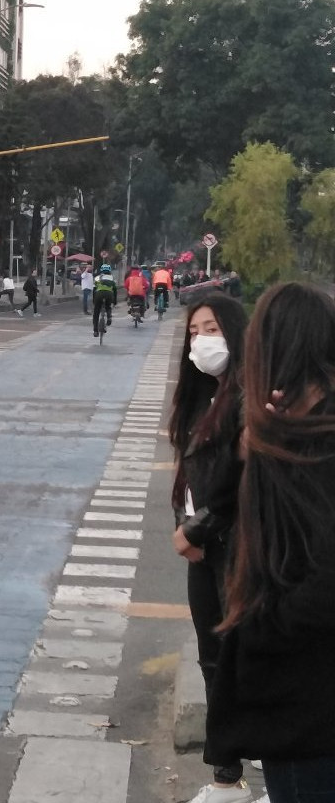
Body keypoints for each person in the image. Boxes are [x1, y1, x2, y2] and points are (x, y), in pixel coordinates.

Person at [206, 283, 335, 803]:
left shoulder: (315, 445)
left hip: (306, 699)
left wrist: (265, 629)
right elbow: (219, 502)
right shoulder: (284, 430)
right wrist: (244, 448)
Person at [168, 293, 252, 803]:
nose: (202, 341)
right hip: (204, 549)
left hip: (237, 549)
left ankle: (256, 773)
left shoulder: (247, 397)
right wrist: (185, 523)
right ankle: (228, 776)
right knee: (212, 660)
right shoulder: (202, 396)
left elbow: (240, 482)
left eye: (212, 329)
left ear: (236, 333)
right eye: (194, 333)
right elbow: (190, 478)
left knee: (245, 659)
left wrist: (196, 530)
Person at [91, 263, 117, 336]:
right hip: (109, 294)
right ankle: (109, 317)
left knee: (96, 313)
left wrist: (94, 300)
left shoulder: (97, 278)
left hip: (99, 294)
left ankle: (95, 331)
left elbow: (94, 289)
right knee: (108, 306)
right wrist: (114, 301)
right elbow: (115, 291)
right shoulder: (112, 278)